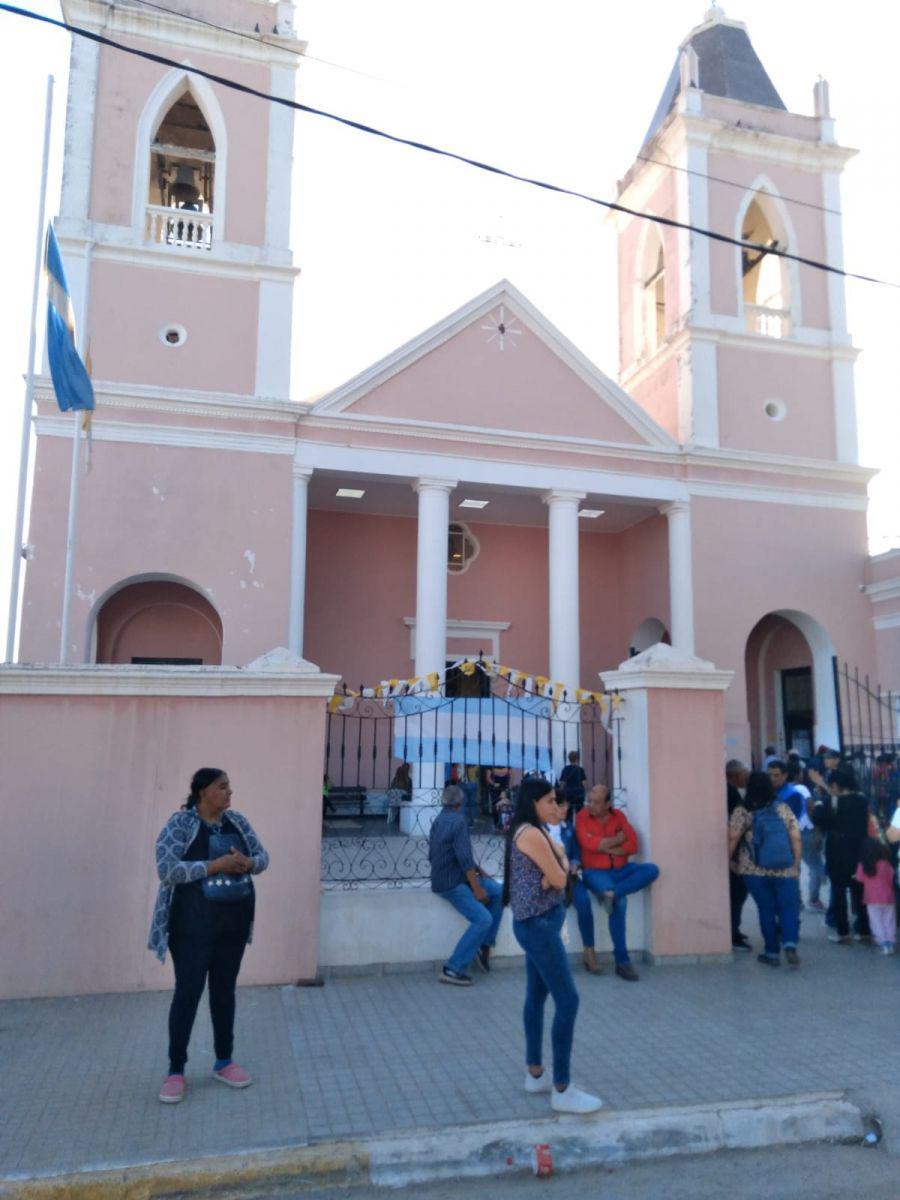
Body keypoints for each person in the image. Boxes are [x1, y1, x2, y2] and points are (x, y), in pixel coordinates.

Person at [149, 768, 269, 1104]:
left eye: (229, 785)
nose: (230, 792)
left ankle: (224, 1061)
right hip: (189, 927)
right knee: (188, 992)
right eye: (222, 786)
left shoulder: (238, 822)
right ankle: (175, 1070)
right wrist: (213, 866)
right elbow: (167, 869)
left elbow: (263, 857)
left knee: (224, 991)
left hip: (232, 924)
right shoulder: (180, 824)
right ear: (203, 792)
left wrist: (248, 862)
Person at [504, 777, 602, 1114]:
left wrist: (556, 867)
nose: (555, 806)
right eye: (548, 801)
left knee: (536, 996)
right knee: (568, 1001)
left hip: (535, 923)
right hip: (540, 926)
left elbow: (559, 860)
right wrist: (556, 872)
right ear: (533, 803)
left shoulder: (532, 830)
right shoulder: (531, 833)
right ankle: (562, 1088)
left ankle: (536, 1073)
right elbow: (562, 876)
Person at [575, 784, 659, 982]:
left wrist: (605, 846)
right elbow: (589, 844)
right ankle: (622, 961)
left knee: (651, 870)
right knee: (620, 903)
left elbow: (633, 845)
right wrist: (617, 841)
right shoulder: (582, 816)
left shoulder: (618, 816)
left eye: (596, 802)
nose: (591, 805)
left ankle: (613, 893)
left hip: (621, 870)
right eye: (590, 801)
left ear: (607, 804)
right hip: (595, 873)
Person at [429, 784, 503, 984]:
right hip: (452, 883)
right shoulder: (459, 821)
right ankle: (453, 968)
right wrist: (477, 888)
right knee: (483, 920)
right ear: (460, 804)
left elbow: (452, 854)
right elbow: (462, 857)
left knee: (498, 891)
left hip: (449, 876)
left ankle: (484, 945)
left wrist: (480, 872)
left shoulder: (438, 820)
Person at [728, 771, 801, 967]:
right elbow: (795, 837)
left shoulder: (742, 811)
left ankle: (771, 953)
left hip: (753, 870)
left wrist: (728, 860)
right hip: (784, 868)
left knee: (766, 908)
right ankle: (790, 943)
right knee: (788, 907)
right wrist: (796, 864)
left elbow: (733, 838)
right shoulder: (782, 808)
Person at [812, 763, 872, 945]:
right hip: (859, 849)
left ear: (835, 786)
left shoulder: (830, 801)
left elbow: (818, 818)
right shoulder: (862, 800)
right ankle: (864, 931)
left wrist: (819, 798)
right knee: (860, 890)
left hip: (837, 850)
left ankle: (843, 932)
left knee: (838, 891)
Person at [552, 793, 601, 974]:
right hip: (550, 880)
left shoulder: (568, 828)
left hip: (570, 879)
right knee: (554, 913)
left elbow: (576, 853)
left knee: (584, 905)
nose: (566, 809)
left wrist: (574, 863)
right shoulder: (541, 829)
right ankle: (552, 957)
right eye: (561, 806)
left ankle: (589, 952)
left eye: (567, 806)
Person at [725, 760, 751, 951]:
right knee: (738, 893)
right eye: (744, 773)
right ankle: (733, 933)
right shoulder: (731, 793)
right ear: (734, 776)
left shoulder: (731, 791)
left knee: (738, 893)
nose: (746, 776)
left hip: (733, 850)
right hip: (734, 852)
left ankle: (735, 930)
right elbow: (736, 825)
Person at [855, 838, 896, 955]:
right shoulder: (886, 864)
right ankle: (890, 941)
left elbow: (859, 878)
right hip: (888, 897)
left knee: (876, 921)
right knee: (889, 920)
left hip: (871, 899)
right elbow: (892, 876)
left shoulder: (864, 865)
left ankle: (883, 943)